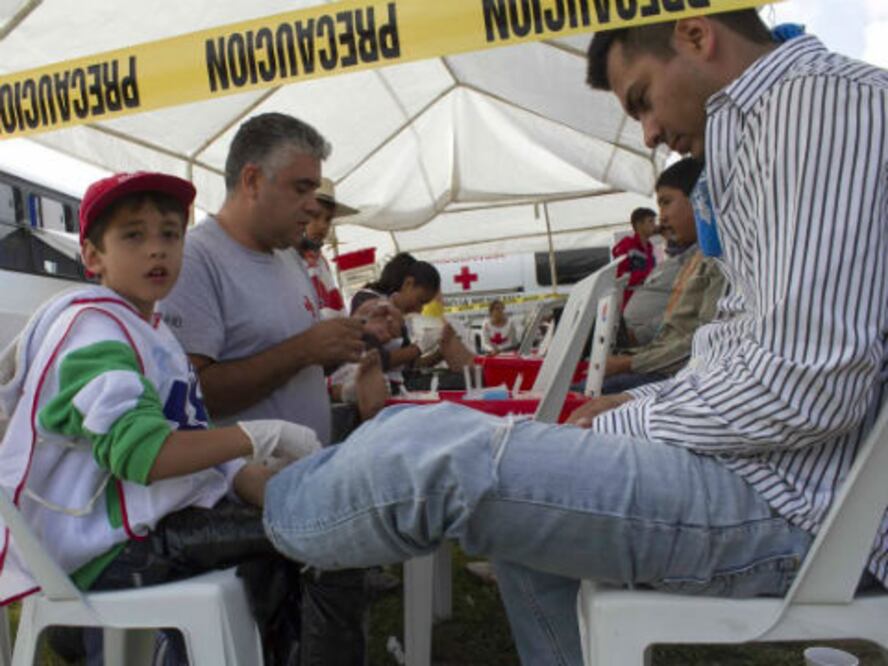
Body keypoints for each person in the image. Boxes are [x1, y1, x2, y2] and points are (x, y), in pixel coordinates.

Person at [261, 12, 888, 666]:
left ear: (697, 34)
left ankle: (255, 523)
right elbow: (765, 356)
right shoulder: (779, 116)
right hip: (783, 480)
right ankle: (280, 514)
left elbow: (807, 391)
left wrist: (629, 424)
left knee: (429, 456)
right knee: (510, 500)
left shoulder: (812, 107)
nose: (647, 131)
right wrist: (638, 409)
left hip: (806, 507)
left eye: (642, 98)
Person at [0, 172, 322, 664]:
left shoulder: (147, 328)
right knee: (297, 538)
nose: (158, 250)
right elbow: (144, 457)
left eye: (170, 234)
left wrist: (262, 482)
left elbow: (190, 437)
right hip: (102, 550)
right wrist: (255, 435)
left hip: (136, 529)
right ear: (92, 256)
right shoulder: (95, 332)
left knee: (292, 524)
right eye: (133, 235)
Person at [157, 113, 369, 663]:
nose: (311, 205)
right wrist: (306, 350)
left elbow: (290, 366)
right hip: (233, 493)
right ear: (252, 181)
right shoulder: (197, 261)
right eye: (301, 188)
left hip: (291, 478)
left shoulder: (286, 260)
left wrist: (340, 366)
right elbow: (194, 398)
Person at [602, 157, 725, 393]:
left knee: (587, 393)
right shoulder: (693, 259)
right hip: (654, 358)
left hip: (674, 373)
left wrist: (628, 362)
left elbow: (699, 342)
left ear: (699, 199)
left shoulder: (715, 258)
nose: (662, 218)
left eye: (666, 203)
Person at [298, 177, 357, 319]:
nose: (323, 226)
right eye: (315, 216)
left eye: (328, 219)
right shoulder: (284, 257)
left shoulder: (321, 262)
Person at [612, 206, 657, 307]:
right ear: (639, 224)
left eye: (654, 221)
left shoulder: (650, 248)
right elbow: (621, 277)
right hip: (630, 304)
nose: (655, 225)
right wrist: (649, 274)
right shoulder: (627, 245)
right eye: (650, 221)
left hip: (647, 301)